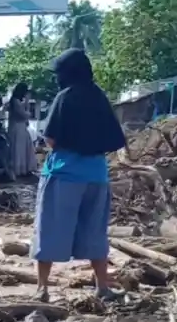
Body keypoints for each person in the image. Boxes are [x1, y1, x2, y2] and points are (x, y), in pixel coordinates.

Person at [32, 48, 128, 304]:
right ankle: (102, 287)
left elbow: (51, 138)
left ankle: (42, 289)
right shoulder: (99, 96)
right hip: (97, 175)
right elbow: (115, 139)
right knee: (95, 232)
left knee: (50, 228)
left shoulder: (65, 97)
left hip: (64, 173)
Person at [7, 83, 38, 179]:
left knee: (22, 148)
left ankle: (23, 169)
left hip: (19, 127)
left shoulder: (15, 101)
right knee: (19, 149)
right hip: (17, 127)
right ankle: (19, 170)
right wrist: (27, 105)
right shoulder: (15, 101)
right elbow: (24, 115)